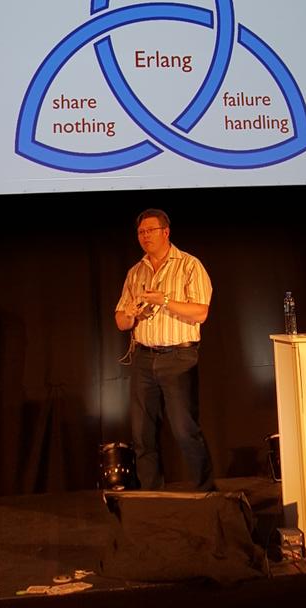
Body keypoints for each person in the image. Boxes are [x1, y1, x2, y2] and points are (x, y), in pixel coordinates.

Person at [115, 208, 215, 491]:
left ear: (165, 232)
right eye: (140, 232)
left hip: (179, 358)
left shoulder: (189, 265)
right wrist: (130, 314)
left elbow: (201, 312)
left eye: (150, 231)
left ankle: (205, 492)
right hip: (143, 358)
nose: (145, 236)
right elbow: (121, 321)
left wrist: (165, 301)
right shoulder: (136, 272)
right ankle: (151, 495)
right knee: (142, 434)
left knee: (185, 430)